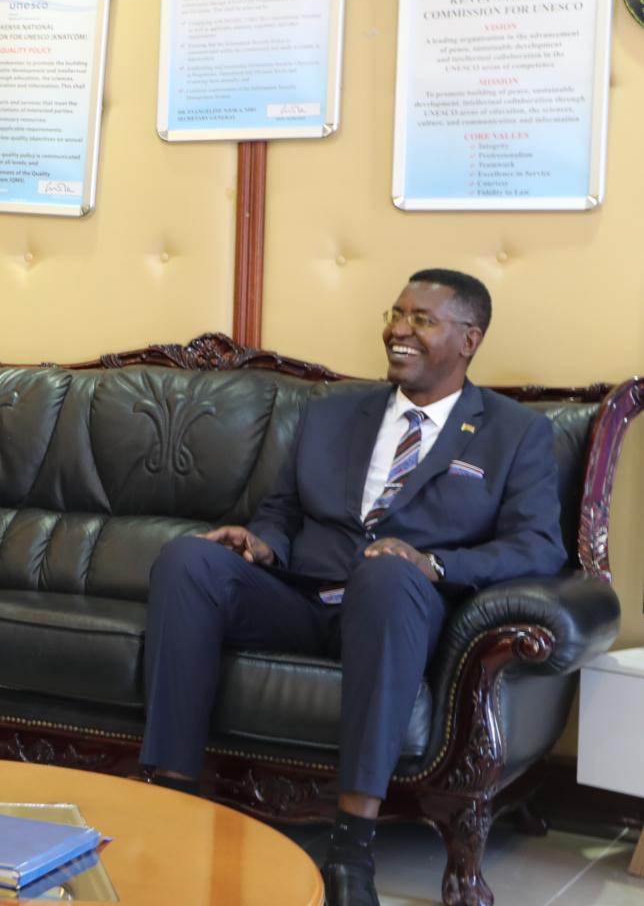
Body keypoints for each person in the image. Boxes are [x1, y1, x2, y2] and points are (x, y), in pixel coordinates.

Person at [138, 269, 565, 906]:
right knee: (187, 560)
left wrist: (434, 565)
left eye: (423, 319)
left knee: (388, 574)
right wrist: (261, 543)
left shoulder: (513, 432)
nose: (398, 329)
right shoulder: (332, 413)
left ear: (469, 339)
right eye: (396, 314)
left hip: (400, 607)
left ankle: (351, 847)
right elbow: (281, 511)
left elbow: (539, 547)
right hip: (303, 596)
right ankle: (171, 804)